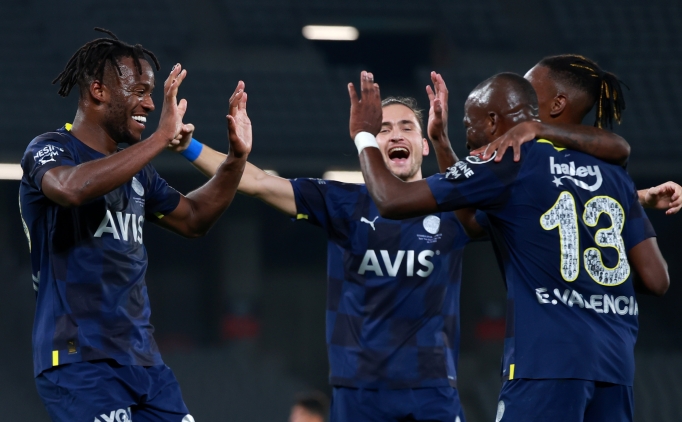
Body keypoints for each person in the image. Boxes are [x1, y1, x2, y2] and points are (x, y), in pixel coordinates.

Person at [349, 70, 669, 421]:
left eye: (469, 125)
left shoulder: (507, 160)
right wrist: (440, 143)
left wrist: (364, 134)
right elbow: (656, 280)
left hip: (544, 364)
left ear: (492, 121)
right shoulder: (612, 171)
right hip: (616, 366)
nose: (468, 138)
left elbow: (391, 200)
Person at [172, 73, 472, 421]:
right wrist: (188, 146)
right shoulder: (343, 202)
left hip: (431, 387)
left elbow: (474, 193)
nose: (396, 135)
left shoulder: (450, 209)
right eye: (383, 129)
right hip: (359, 390)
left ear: (423, 143)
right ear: (370, 144)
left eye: (406, 127)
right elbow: (257, 181)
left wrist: (443, 140)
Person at [19, 28, 251, 422]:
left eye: (151, 92)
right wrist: (160, 138)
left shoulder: (138, 172)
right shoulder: (50, 148)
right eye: (139, 91)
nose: (149, 103)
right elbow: (70, 189)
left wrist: (235, 160)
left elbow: (195, 219)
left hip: (143, 361)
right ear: (98, 91)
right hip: (78, 359)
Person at [470, 54, 681, 216]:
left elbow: (620, 148)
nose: (520, 96)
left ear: (557, 104)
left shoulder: (530, 157)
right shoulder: (524, 151)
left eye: (529, 91)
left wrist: (536, 128)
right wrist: (642, 197)